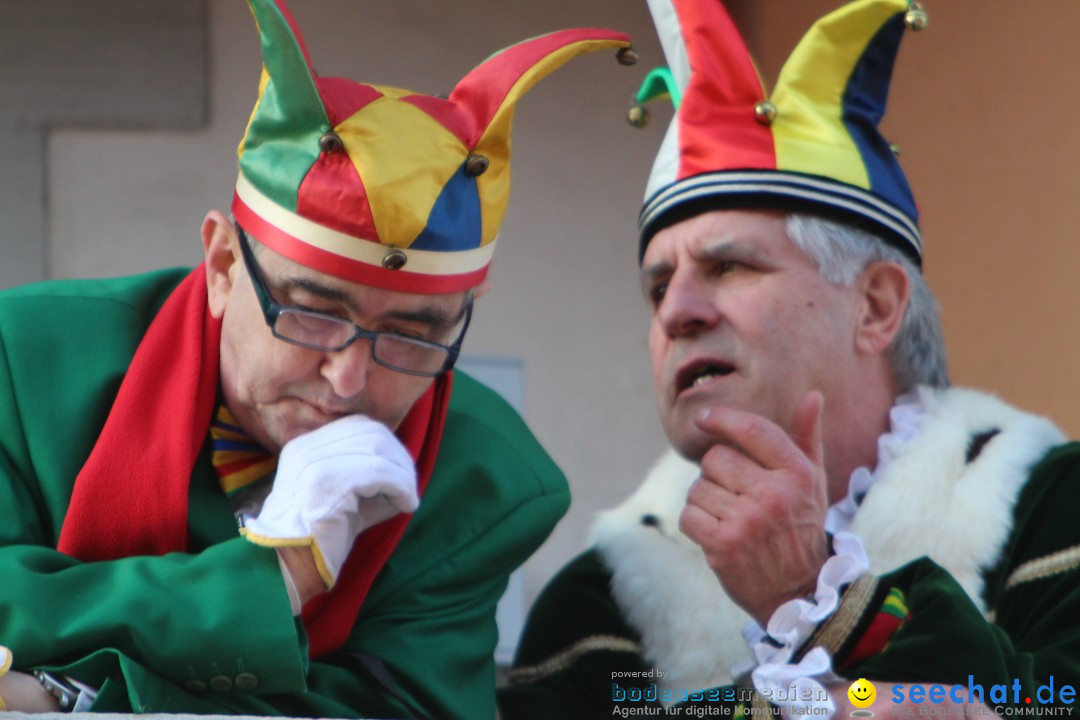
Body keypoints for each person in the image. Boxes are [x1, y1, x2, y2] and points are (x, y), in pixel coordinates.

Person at [0, 1, 634, 716]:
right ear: (220, 265)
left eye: (413, 333)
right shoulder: (22, 357)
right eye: (312, 312)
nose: (349, 377)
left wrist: (65, 700)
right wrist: (269, 580)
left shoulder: (485, 480)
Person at [498, 0, 1080, 718]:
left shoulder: (1054, 509)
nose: (676, 311)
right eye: (657, 285)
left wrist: (817, 597)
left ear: (874, 307)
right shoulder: (602, 598)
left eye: (729, 266)